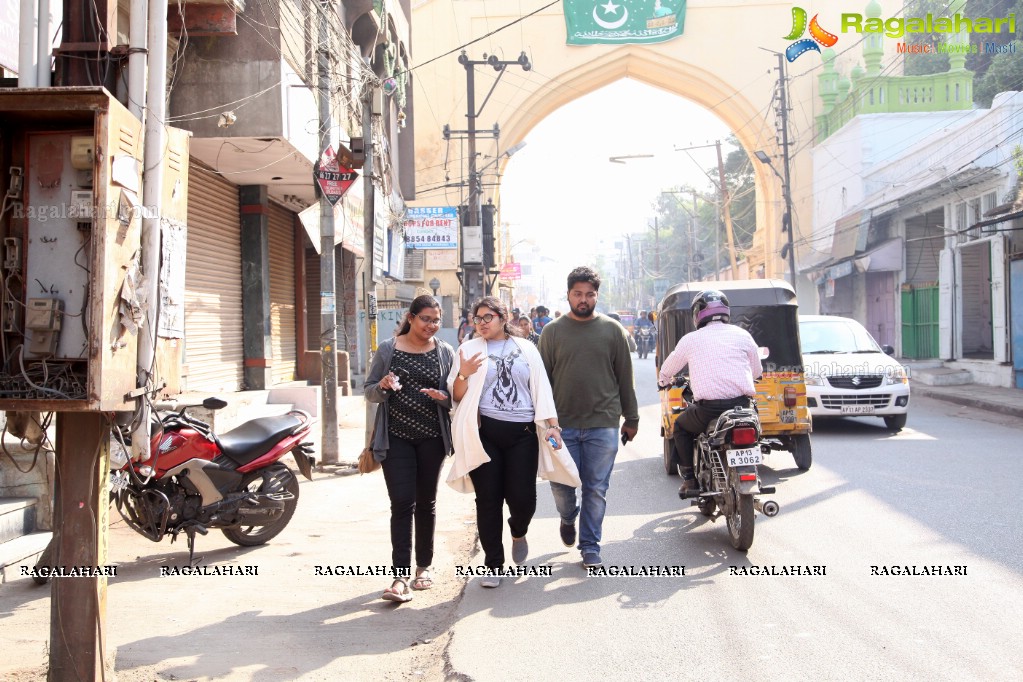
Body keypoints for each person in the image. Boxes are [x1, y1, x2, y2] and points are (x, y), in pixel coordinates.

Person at [446, 297, 579, 588]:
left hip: (523, 435)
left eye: (488, 317)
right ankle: (493, 564)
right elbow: (456, 396)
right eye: (477, 318)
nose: (481, 323)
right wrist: (463, 373)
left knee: (523, 501)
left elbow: (542, 389)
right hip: (485, 435)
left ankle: (518, 531)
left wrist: (553, 426)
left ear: (503, 318)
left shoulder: (527, 349)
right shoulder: (467, 350)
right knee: (488, 500)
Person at [538, 267, 639, 569]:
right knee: (561, 487)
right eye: (578, 294)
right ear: (568, 294)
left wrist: (631, 418)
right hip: (561, 426)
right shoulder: (552, 331)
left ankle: (590, 546)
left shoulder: (612, 330)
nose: (584, 300)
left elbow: (625, 378)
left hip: (603, 424)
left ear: (597, 295)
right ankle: (568, 517)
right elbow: (541, 381)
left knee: (596, 488)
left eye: (589, 294)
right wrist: (542, 422)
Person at [364, 295, 455, 603]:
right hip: (396, 438)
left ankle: (423, 568)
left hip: (432, 438)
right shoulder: (389, 350)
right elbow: (370, 392)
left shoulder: (445, 352)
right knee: (402, 503)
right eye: (426, 318)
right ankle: (400, 576)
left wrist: (442, 395)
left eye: (436, 320)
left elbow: (456, 396)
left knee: (426, 501)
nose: (431, 325)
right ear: (411, 317)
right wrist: (383, 387)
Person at [657, 290, 762, 495]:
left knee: (680, 427)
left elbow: (667, 369)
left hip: (709, 411)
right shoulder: (743, 334)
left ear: (697, 314)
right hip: (743, 406)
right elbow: (757, 370)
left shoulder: (691, 339)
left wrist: (664, 381)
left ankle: (689, 479)